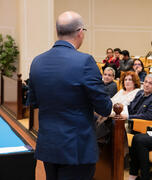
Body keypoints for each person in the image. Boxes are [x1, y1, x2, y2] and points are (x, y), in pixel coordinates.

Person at [28, 11, 112, 180]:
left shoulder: (37, 61)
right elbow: (105, 107)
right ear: (80, 32)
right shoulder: (85, 61)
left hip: (49, 145)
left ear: (57, 31)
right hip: (76, 148)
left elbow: (33, 102)